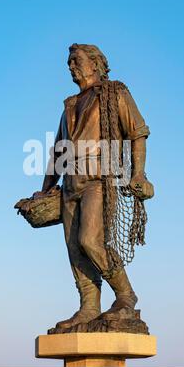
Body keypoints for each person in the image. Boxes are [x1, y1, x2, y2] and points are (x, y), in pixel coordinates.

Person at [36, 44, 154, 330]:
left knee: (90, 240)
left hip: (98, 177)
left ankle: (126, 295)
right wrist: (45, 188)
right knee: (74, 249)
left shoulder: (115, 92)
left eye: (76, 60)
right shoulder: (69, 104)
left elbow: (138, 132)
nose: (70, 66)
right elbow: (58, 152)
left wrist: (138, 174)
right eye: (68, 62)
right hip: (69, 182)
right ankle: (88, 307)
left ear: (95, 63)